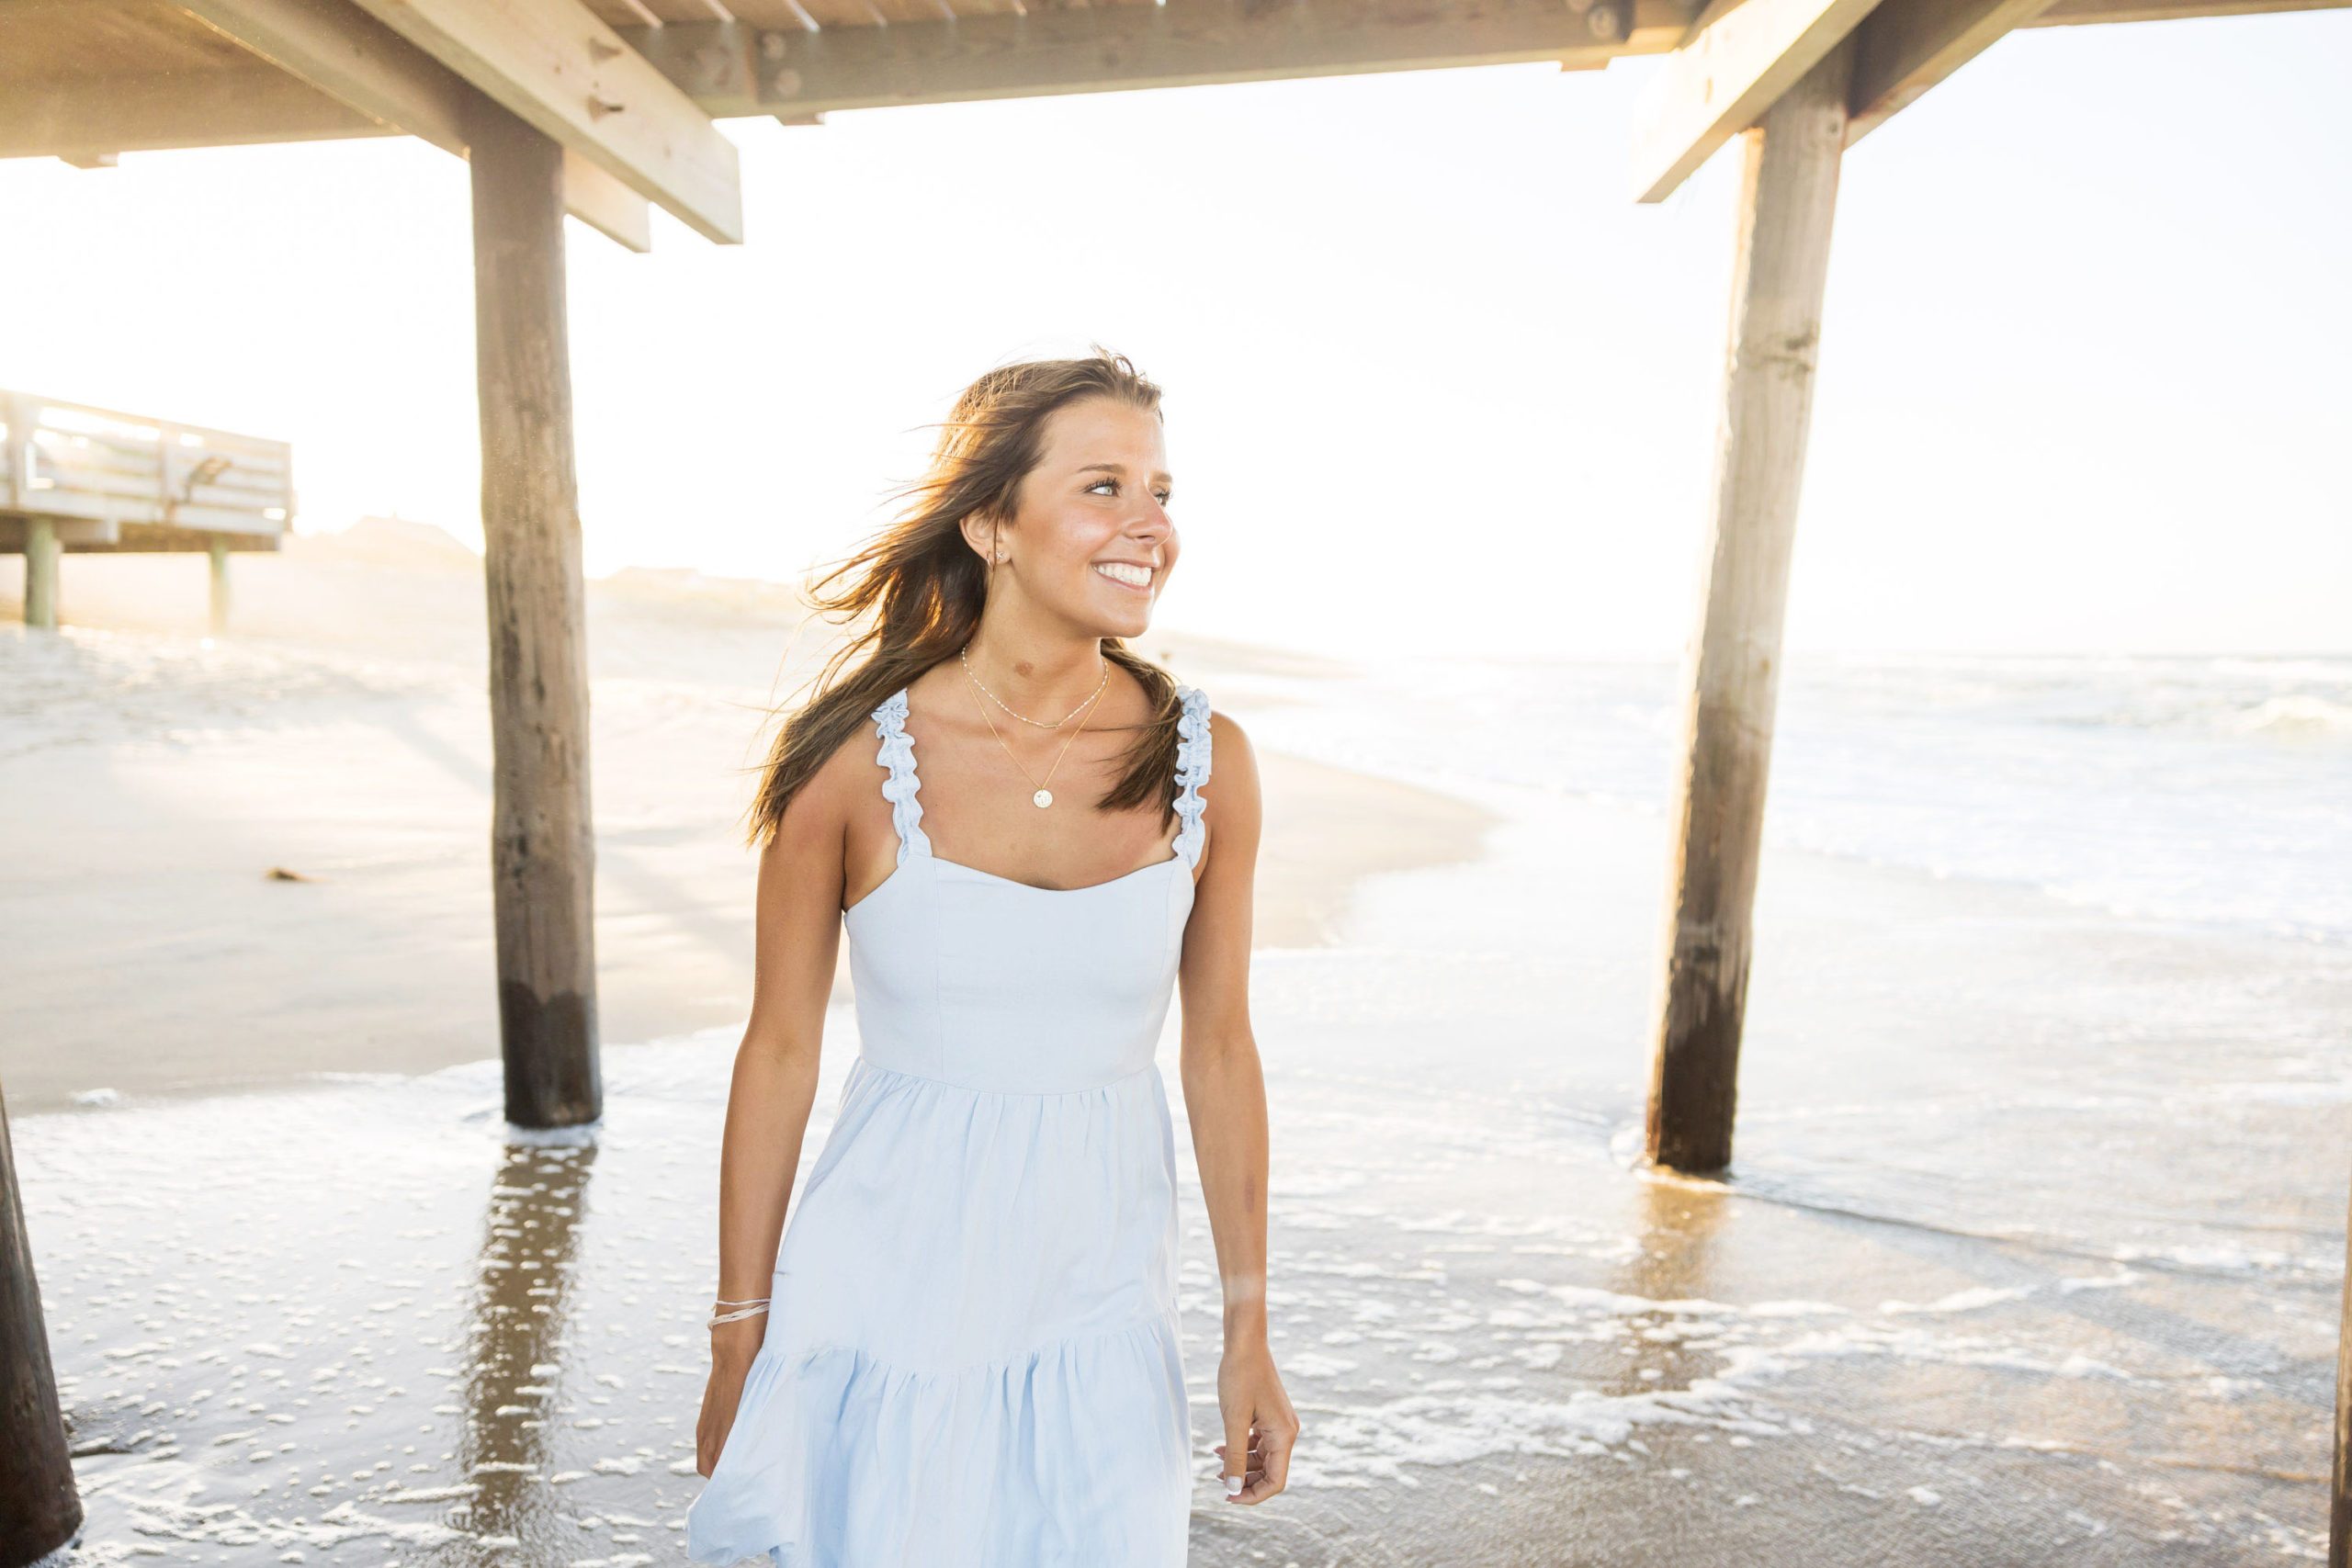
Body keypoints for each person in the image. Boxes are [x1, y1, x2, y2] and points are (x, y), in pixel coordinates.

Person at [684, 351, 1299, 1565]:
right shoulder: (853, 765)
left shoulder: (1208, 758)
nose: (1151, 527)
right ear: (990, 523)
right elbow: (781, 1051)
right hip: (881, 1291)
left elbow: (1219, 1048)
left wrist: (1247, 1330)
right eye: (1105, 487)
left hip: (1100, 1294)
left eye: (1163, 492)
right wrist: (738, 1334)